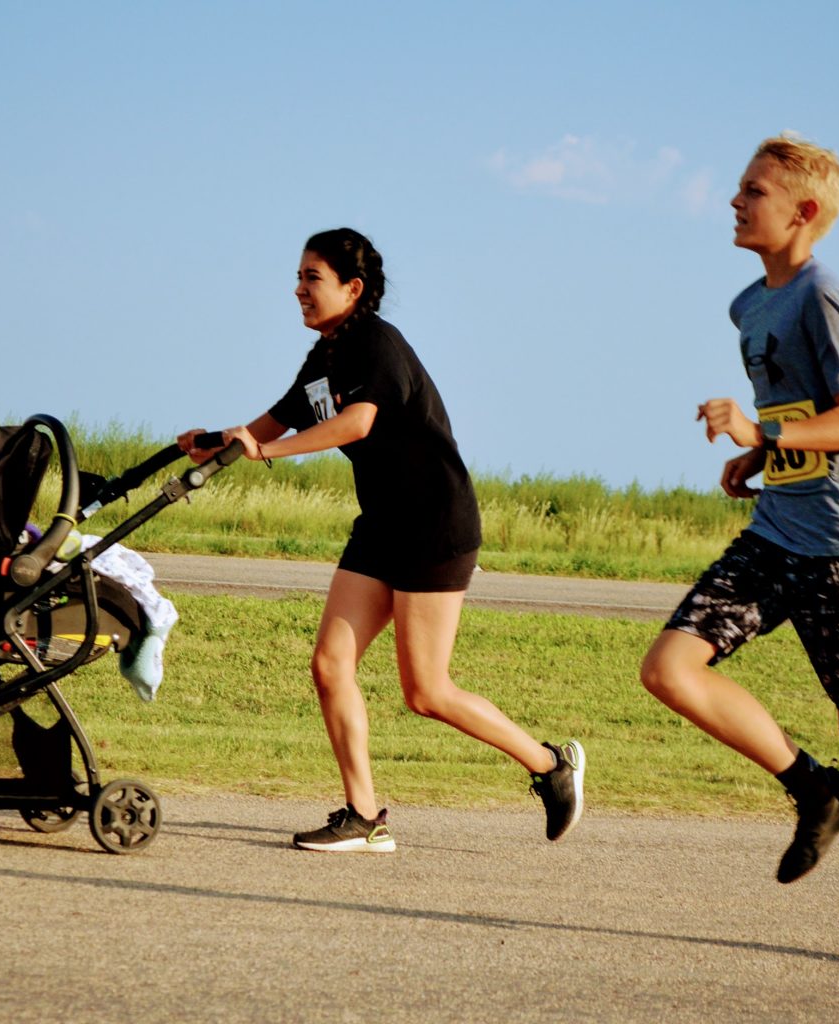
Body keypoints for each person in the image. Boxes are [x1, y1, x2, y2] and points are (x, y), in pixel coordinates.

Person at [179, 227, 585, 852]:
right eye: (299, 277)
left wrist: (269, 453)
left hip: (434, 525)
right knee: (329, 664)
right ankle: (363, 818)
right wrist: (219, 441)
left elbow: (355, 423)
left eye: (312, 278)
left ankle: (549, 765)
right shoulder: (326, 354)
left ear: (353, 287)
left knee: (426, 692)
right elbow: (275, 418)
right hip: (382, 525)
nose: (299, 290)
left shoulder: (376, 343)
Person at [641, 135, 839, 884]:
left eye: (752, 191)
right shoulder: (749, 304)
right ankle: (816, 791)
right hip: (777, 532)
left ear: (803, 213)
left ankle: (838, 782)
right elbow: (804, 410)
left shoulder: (820, 294)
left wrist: (762, 433)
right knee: (669, 669)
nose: (734, 200)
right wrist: (758, 456)